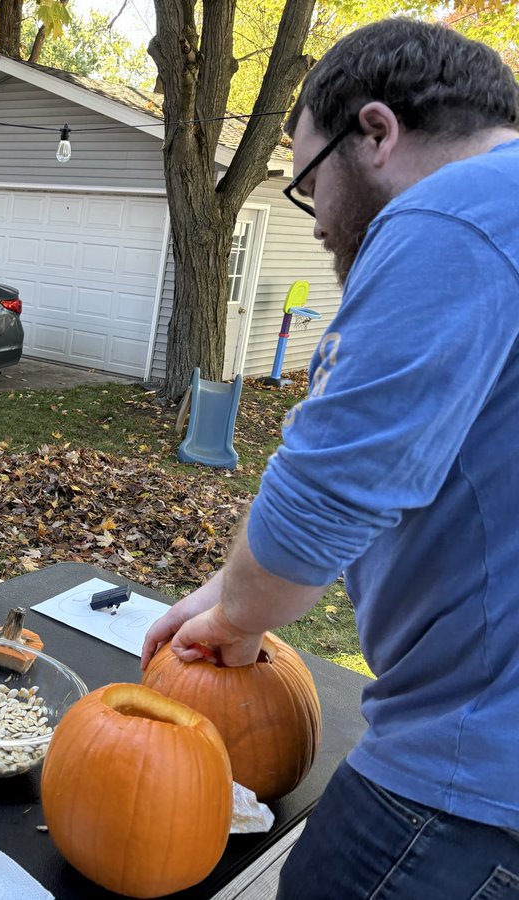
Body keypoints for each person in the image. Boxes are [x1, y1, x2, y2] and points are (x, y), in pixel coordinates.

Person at [141, 18, 519, 899]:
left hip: (467, 774)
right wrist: (226, 598)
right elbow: (420, 470)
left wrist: (236, 617)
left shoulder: (451, 214)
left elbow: (327, 492)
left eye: (308, 184)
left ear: (376, 133)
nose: (314, 226)